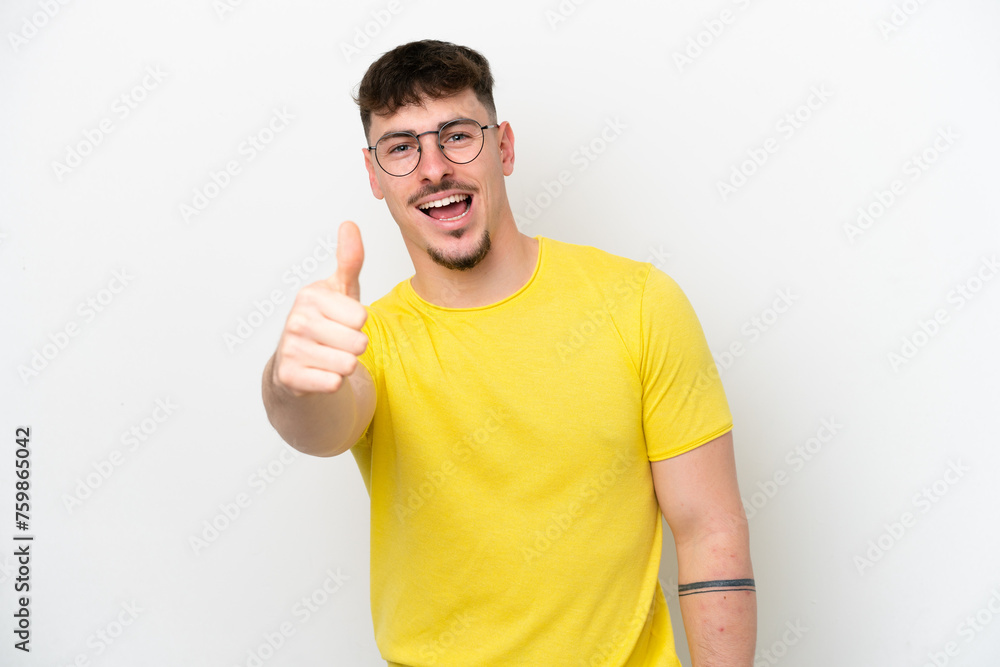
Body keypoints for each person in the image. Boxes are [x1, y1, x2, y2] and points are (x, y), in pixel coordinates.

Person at [261, 39, 756, 667]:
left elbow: (709, 529)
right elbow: (319, 426)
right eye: (401, 148)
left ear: (506, 148)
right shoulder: (370, 342)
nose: (434, 167)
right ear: (374, 176)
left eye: (457, 135)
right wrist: (291, 381)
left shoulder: (638, 303)